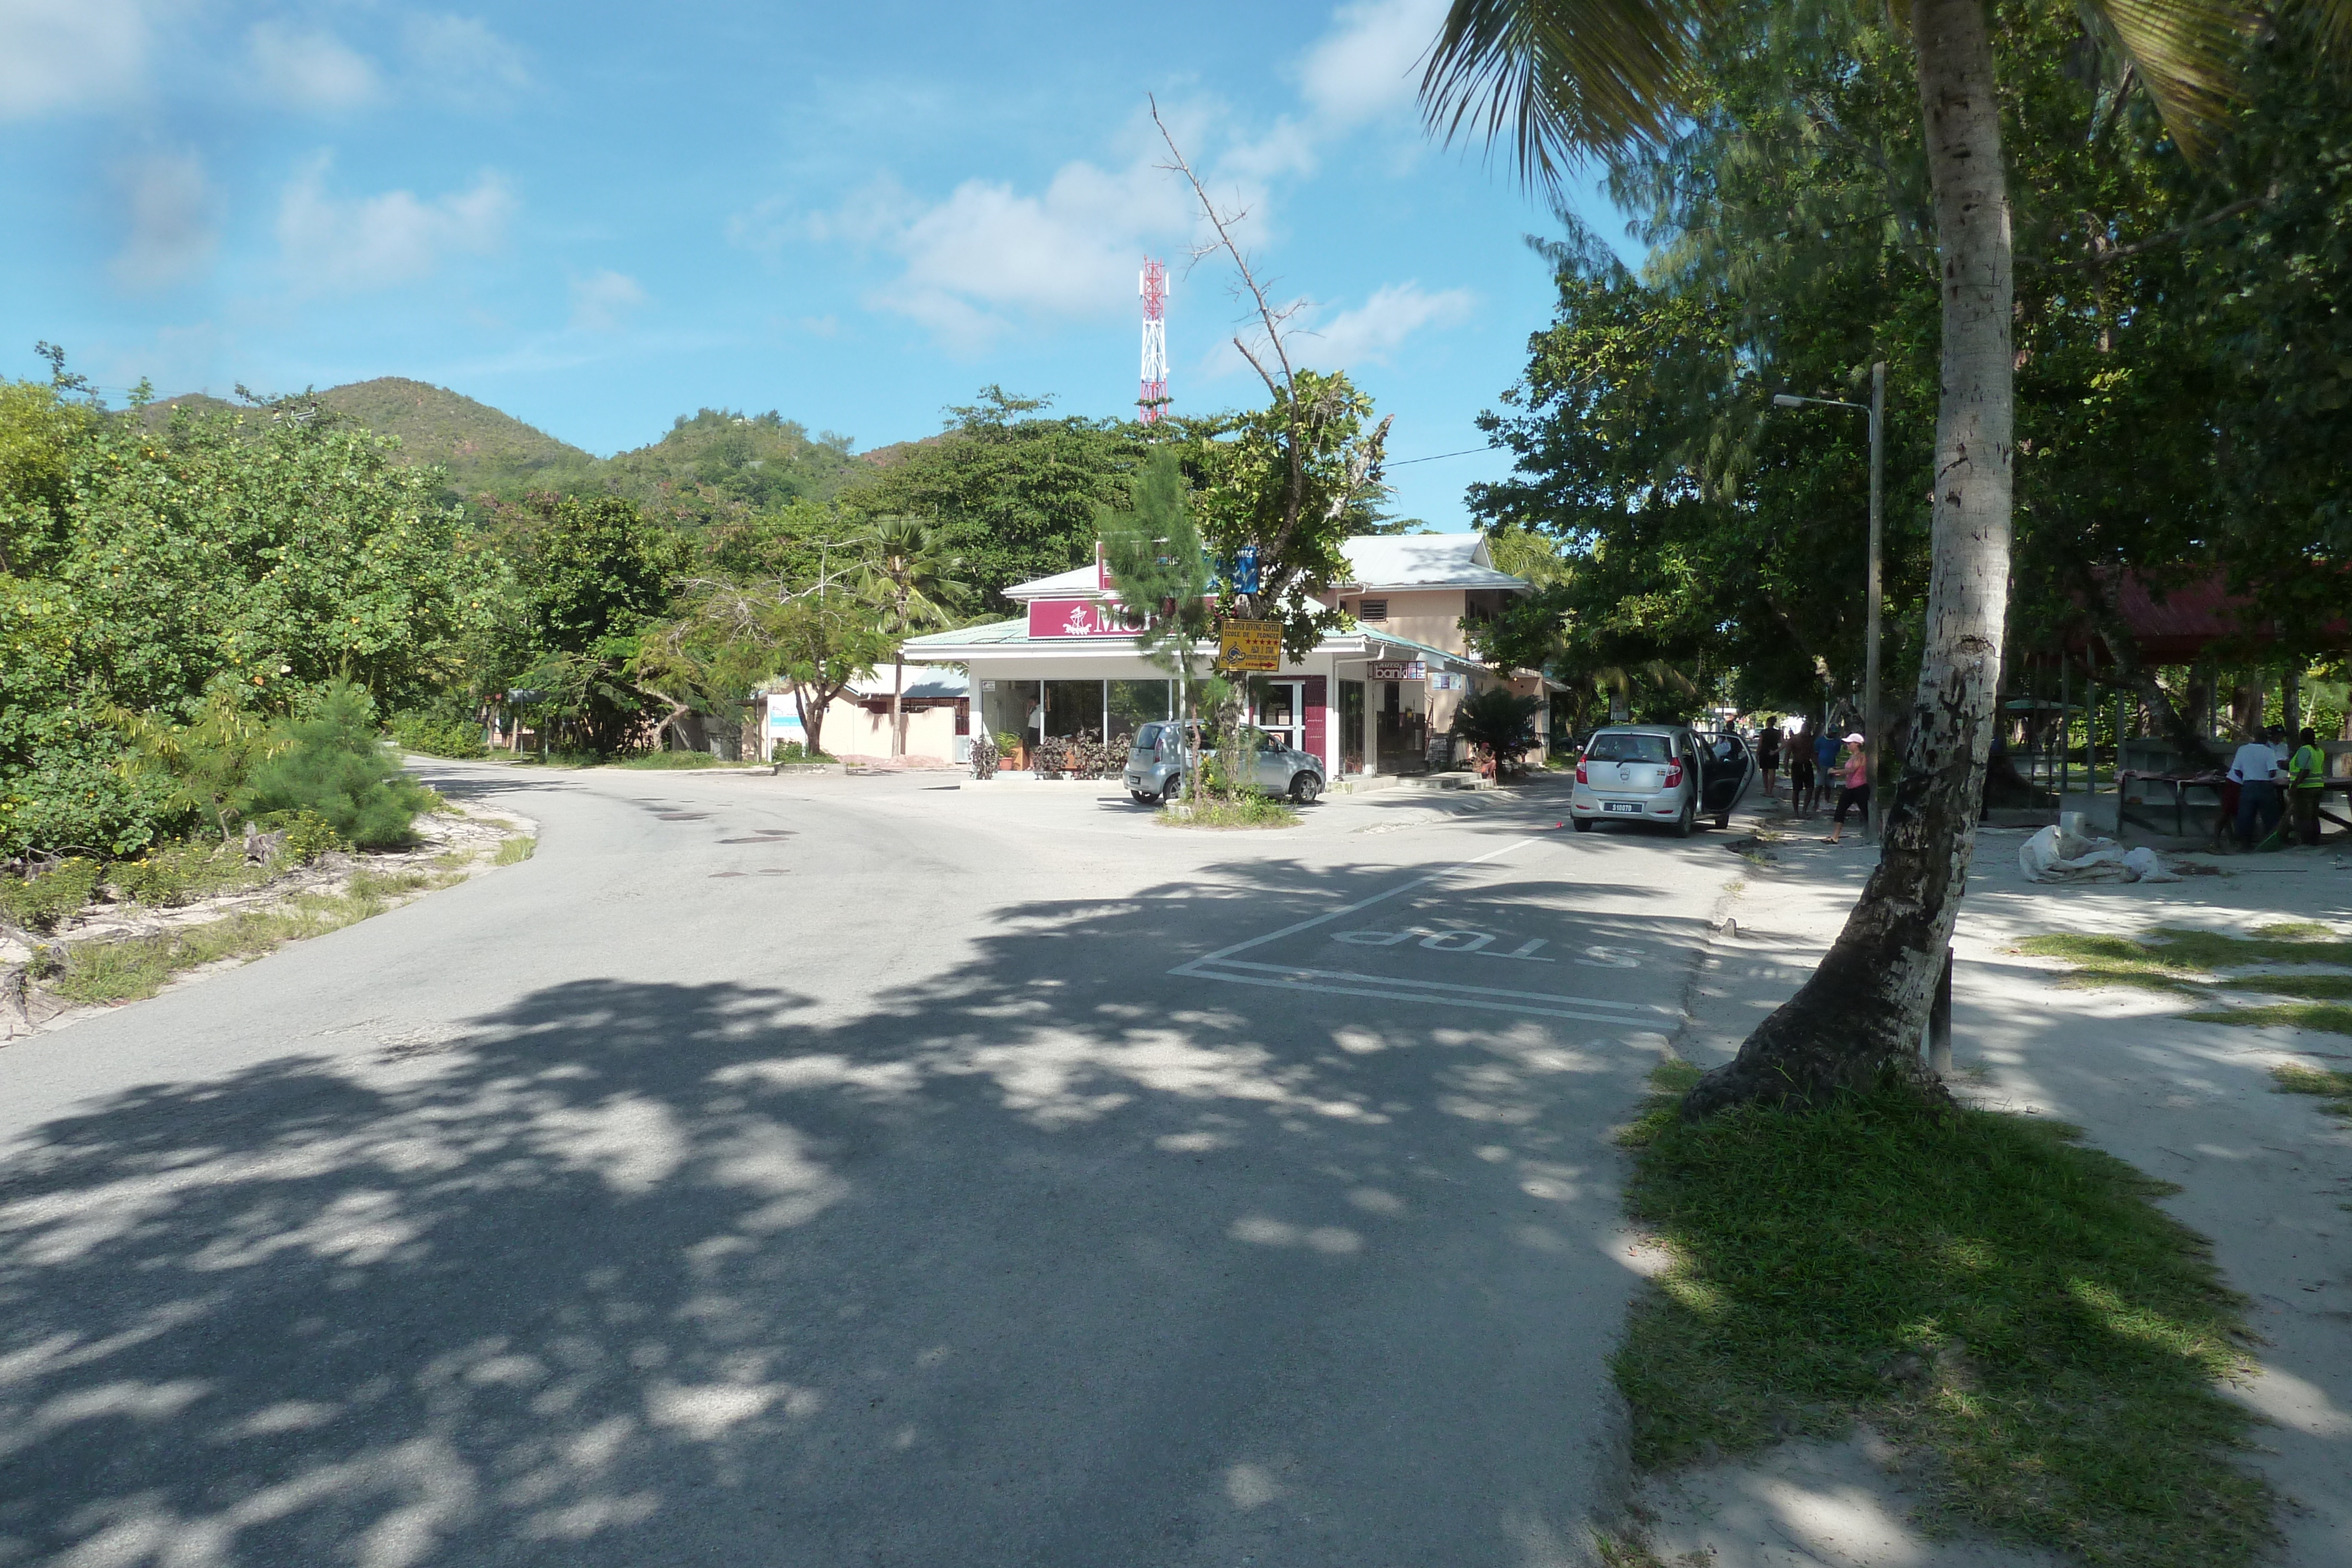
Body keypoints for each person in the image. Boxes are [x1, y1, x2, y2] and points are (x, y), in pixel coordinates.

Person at [2229, 728, 2286, 850]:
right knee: (2270, 816)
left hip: (2248, 784)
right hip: (2264, 785)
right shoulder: (2268, 751)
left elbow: (2237, 769)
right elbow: (2273, 771)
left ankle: (2244, 844)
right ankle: (2269, 843)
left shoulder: (2243, 749)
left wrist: (2247, 776)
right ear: (2266, 738)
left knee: (2246, 816)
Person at [1825, 732, 1870, 844]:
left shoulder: (1861, 756)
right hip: (1849, 788)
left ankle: (1882, 834)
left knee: (1867, 812)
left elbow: (1852, 770)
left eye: (1849, 743)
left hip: (1860, 788)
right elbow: (1848, 772)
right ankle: (1835, 837)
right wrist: (1837, 773)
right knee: (1840, 810)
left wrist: (1836, 771)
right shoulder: (1852, 757)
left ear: (1856, 744)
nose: (1847, 745)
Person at [2289, 725, 2328, 846]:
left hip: (2306, 788)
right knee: (2313, 816)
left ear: (2302, 738)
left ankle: (2307, 841)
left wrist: (2295, 785)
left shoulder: (2305, 750)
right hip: (2318, 786)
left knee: (2305, 816)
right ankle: (2315, 840)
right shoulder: (2318, 751)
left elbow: (2305, 770)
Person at [1756, 724, 1782, 801]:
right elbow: (1784, 744)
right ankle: (1770, 791)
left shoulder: (1763, 732)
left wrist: (1757, 754)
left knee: (1764, 772)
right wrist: (1776, 751)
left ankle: (1766, 790)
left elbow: (1760, 744)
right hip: (1773, 753)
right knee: (1772, 772)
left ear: (1767, 723)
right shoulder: (1778, 733)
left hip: (1764, 753)